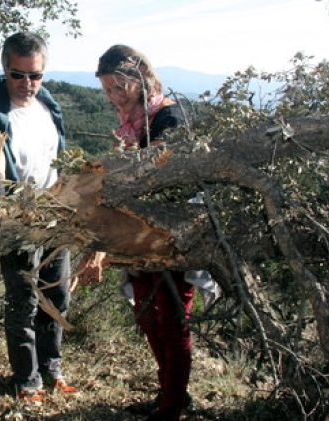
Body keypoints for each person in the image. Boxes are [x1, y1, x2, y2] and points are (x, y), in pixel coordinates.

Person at [77, 44, 194, 421]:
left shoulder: (167, 118)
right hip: (140, 239)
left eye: (120, 87)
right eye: (107, 89)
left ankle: (172, 405)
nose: (113, 97)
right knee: (148, 316)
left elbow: (162, 178)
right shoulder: (136, 123)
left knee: (173, 320)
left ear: (141, 77)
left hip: (172, 239)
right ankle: (168, 394)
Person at [0, 31, 77, 403]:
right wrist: (9, 222)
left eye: (35, 75)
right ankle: (27, 380)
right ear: (5, 70)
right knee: (23, 302)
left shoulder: (47, 105)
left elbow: (58, 156)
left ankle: (52, 370)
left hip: (56, 215)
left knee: (57, 296)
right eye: (18, 75)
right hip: (18, 221)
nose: (27, 84)